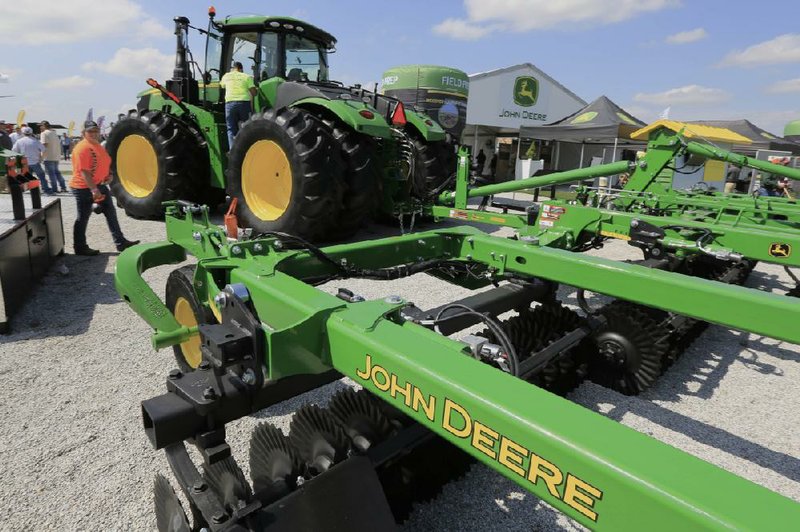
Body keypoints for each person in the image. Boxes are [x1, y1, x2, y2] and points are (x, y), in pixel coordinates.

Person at [70, 120, 139, 256]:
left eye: (96, 131)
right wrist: (94, 190)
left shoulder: (98, 146)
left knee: (111, 213)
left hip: (99, 185)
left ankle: (120, 242)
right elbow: (84, 172)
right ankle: (80, 247)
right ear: (83, 133)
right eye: (90, 131)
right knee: (83, 217)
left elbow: (105, 163)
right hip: (84, 188)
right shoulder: (82, 148)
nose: (94, 134)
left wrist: (110, 175)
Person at [219, 61, 256, 147]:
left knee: (231, 129)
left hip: (230, 104)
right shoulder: (246, 76)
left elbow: (222, 85)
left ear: (233, 68)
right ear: (241, 69)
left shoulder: (226, 76)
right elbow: (253, 92)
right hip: (244, 104)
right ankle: (246, 148)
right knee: (246, 127)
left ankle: (233, 151)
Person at [12, 126, 52, 194]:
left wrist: (18, 160)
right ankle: (46, 190)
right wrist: (41, 159)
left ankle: (25, 190)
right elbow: (44, 150)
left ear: (23, 133)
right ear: (31, 132)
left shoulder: (19, 141)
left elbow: (14, 151)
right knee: (41, 176)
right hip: (35, 162)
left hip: (24, 163)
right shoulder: (36, 141)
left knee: (26, 177)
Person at [40, 121, 68, 193]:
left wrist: (41, 156)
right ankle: (63, 187)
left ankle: (54, 189)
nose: (40, 127)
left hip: (48, 156)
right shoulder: (54, 133)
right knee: (57, 173)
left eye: (41, 126)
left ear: (43, 126)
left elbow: (44, 145)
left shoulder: (44, 133)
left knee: (51, 174)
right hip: (56, 156)